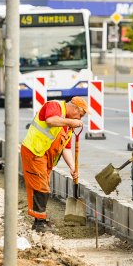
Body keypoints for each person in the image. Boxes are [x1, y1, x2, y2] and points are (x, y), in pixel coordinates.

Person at [21, 97, 88, 232]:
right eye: (80, 115)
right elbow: (50, 120)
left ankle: (40, 220)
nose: (79, 119)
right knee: (40, 187)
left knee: (43, 187)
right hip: (35, 152)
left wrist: (72, 167)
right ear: (75, 108)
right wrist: (71, 121)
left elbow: (66, 148)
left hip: (45, 157)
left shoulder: (67, 127)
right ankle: (39, 223)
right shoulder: (55, 106)